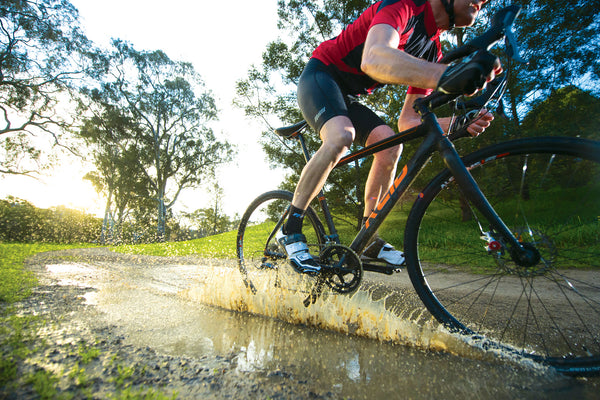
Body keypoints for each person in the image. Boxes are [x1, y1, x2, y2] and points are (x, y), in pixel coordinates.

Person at [277, 0, 502, 273]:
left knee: (389, 144)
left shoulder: (432, 49)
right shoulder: (405, 5)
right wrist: (449, 75)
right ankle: (290, 228)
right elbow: (374, 58)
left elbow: (409, 121)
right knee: (341, 136)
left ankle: (368, 236)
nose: (483, 1)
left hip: (347, 97)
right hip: (321, 74)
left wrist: (458, 124)